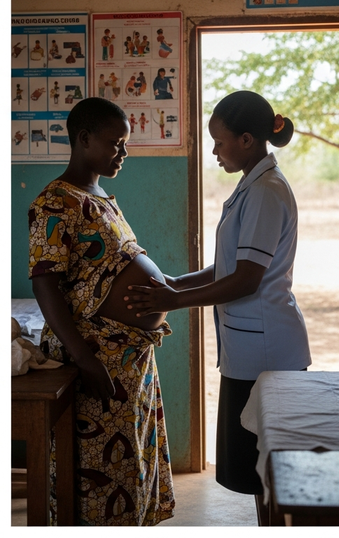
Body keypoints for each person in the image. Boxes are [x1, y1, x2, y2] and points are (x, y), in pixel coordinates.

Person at [123, 90, 311, 524]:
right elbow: (231, 263)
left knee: (268, 470)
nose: (214, 151)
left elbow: (246, 278)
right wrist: (177, 281)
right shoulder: (253, 184)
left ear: (247, 139)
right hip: (252, 347)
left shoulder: (266, 190)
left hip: (267, 351)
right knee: (258, 469)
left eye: (219, 141)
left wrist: (175, 300)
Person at [28, 97, 175, 525]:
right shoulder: (55, 202)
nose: (123, 153)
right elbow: (46, 283)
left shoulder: (100, 197)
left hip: (129, 358)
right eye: (116, 144)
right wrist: (85, 358)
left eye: (125, 144)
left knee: (129, 462)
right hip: (96, 360)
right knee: (98, 471)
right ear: (83, 139)